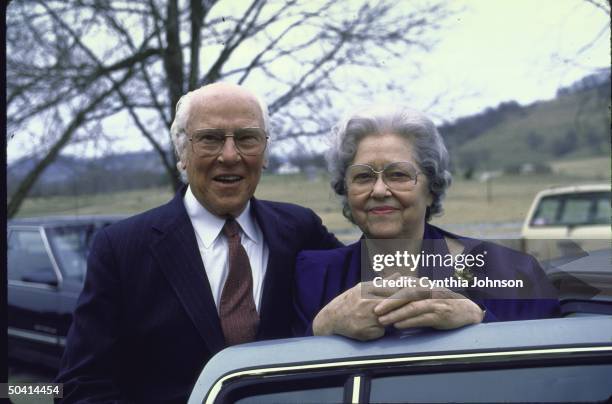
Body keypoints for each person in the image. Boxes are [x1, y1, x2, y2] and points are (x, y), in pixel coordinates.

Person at [55, 83, 341, 402]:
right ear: (182, 154)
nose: (230, 155)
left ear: (264, 153)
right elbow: (81, 383)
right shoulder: (121, 249)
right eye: (210, 138)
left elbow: (375, 278)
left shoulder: (300, 229)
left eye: (247, 138)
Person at [293, 105, 560, 341]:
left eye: (398, 174)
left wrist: (479, 319)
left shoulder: (513, 273)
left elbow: (552, 376)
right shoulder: (313, 277)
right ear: (345, 189)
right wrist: (323, 327)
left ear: (432, 188)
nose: (378, 190)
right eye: (363, 177)